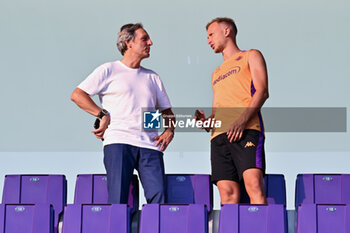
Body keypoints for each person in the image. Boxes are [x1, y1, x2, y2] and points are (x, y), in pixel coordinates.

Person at [71, 23, 175, 204]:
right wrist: (102, 114)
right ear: (129, 43)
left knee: (159, 200)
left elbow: (167, 112)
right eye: (145, 39)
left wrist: (169, 131)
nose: (150, 42)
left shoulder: (153, 77)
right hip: (118, 142)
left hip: (150, 146)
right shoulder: (109, 69)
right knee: (118, 201)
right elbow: (78, 95)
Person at [197, 17, 269, 204]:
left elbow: (262, 92)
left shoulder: (251, 55)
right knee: (227, 196)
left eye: (211, 34)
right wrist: (206, 122)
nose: (208, 40)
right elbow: (217, 112)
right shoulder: (216, 73)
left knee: (253, 185)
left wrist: (242, 121)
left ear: (227, 31)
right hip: (219, 138)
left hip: (246, 130)